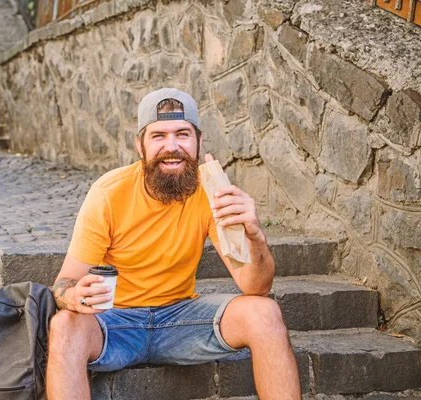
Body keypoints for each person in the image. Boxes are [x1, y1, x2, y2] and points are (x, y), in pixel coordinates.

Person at [46, 88, 301, 399]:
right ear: (140, 145)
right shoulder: (108, 193)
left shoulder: (212, 192)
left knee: (265, 313)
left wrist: (255, 236)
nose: (172, 146)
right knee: (64, 326)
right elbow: (63, 284)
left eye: (182, 134)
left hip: (180, 319)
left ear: (198, 142)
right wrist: (75, 297)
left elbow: (255, 287)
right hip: (116, 323)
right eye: (158, 136)